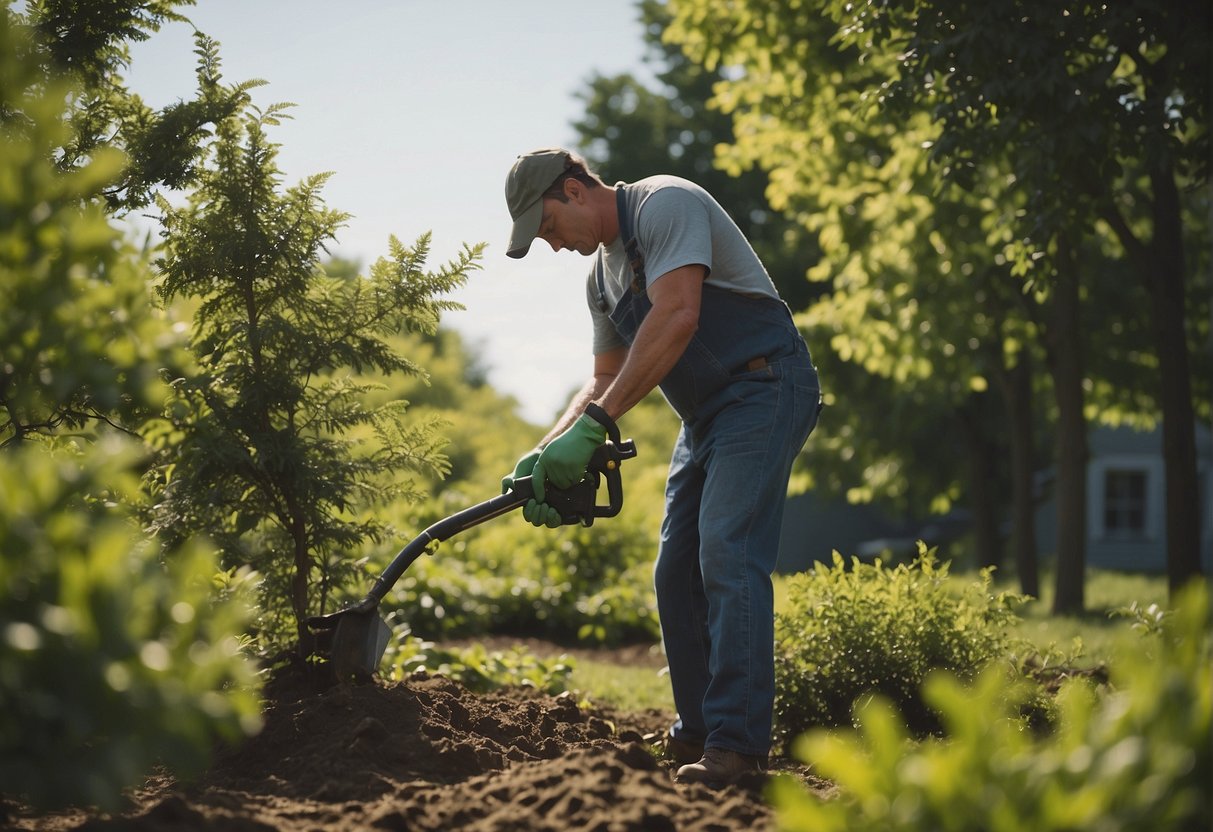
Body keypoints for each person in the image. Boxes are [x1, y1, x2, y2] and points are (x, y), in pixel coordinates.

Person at [499, 148, 822, 788]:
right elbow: (603, 378)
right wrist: (548, 446)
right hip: (704, 417)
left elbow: (678, 315)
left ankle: (739, 749)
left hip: (764, 387)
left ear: (573, 190)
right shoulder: (600, 278)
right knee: (676, 570)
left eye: (548, 227)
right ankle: (700, 732)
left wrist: (594, 429)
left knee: (726, 551)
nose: (552, 244)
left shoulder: (664, 203)